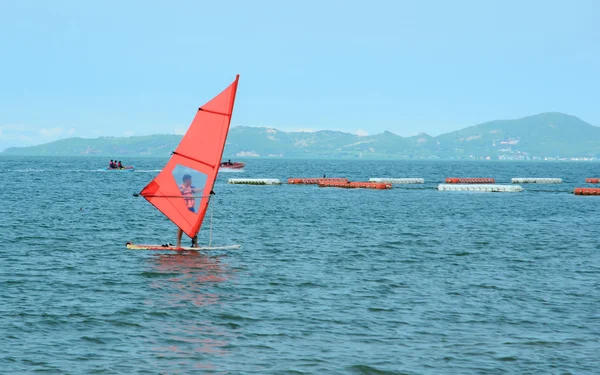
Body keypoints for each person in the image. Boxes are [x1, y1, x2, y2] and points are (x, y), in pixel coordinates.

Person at [176, 174, 203, 248]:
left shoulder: (191, 187)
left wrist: (206, 189)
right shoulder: (180, 187)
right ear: (186, 180)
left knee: (195, 226)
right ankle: (178, 243)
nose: (191, 181)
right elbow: (178, 192)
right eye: (190, 180)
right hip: (184, 209)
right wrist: (186, 189)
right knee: (181, 226)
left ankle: (195, 243)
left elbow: (197, 190)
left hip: (191, 208)